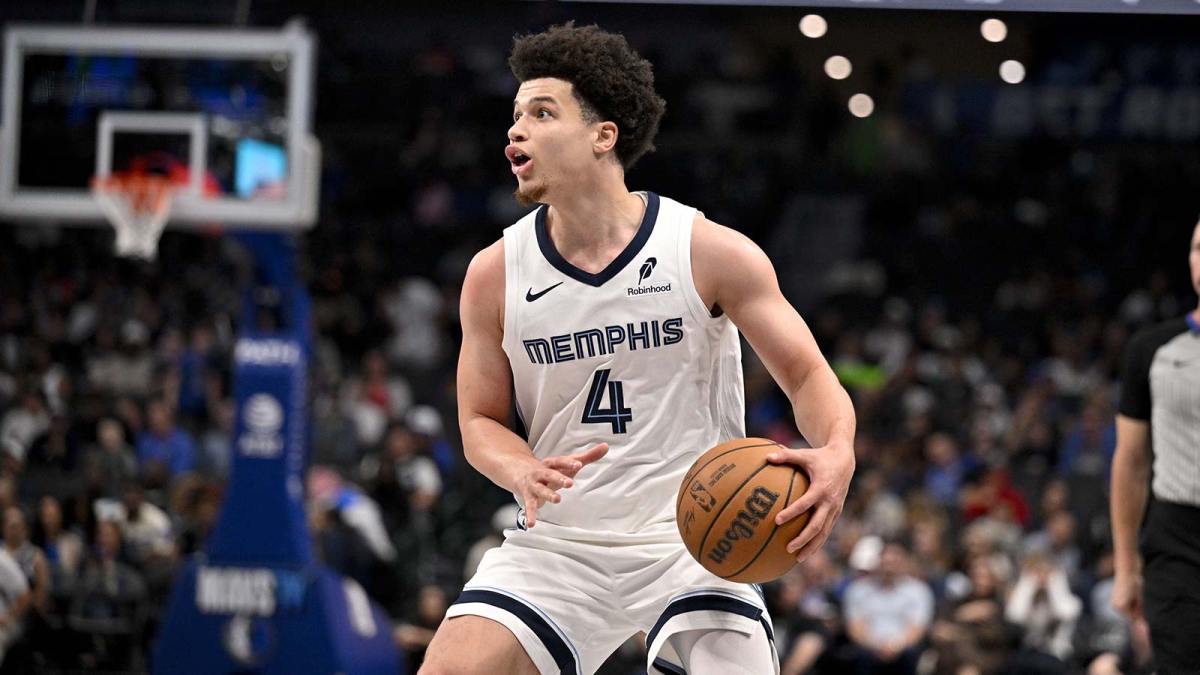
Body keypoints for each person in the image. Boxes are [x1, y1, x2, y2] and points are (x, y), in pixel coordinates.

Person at [422, 23, 856, 675]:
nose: (516, 131)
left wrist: (837, 451)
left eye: (542, 113)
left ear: (604, 136)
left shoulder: (707, 251)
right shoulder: (494, 273)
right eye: (514, 115)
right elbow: (480, 420)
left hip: (698, 540)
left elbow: (805, 374)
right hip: (562, 545)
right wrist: (519, 469)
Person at [1111, 219, 1200, 673]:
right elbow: (1130, 464)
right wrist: (1127, 569)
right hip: (1177, 543)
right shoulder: (1152, 349)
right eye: (1199, 249)